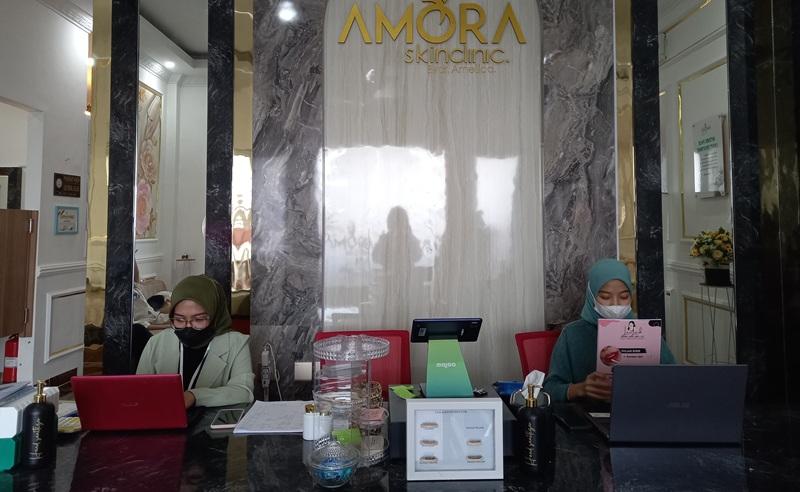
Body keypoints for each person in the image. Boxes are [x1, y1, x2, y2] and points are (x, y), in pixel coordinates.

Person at [542, 259, 676, 404]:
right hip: (588, 414)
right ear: (591, 296)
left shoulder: (645, 332)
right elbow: (549, 389)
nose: (615, 304)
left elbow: (675, 378)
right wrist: (580, 389)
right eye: (605, 297)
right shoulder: (572, 335)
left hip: (641, 410)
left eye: (624, 297)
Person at [137, 275, 254, 408]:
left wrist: (194, 396)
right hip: (162, 417)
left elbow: (243, 392)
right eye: (179, 319)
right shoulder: (157, 342)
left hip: (212, 420)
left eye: (198, 319)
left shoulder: (237, 343)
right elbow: (139, 390)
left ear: (215, 316)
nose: (188, 327)